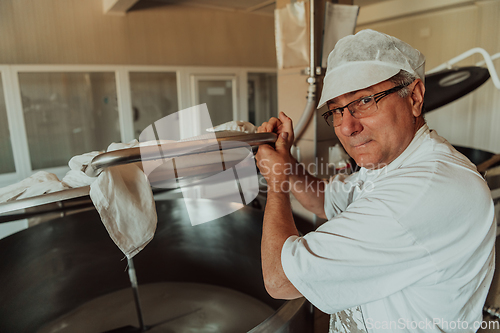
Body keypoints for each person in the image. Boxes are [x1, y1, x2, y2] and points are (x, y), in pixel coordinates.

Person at [255, 29, 496, 333]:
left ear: (415, 98)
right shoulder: (390, 162)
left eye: (365, 101)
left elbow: (279, 279)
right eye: (337, 111)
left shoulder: (424, 190)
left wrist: (276, 182)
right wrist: (286, 162)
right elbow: (325, 201)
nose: (347, 126)